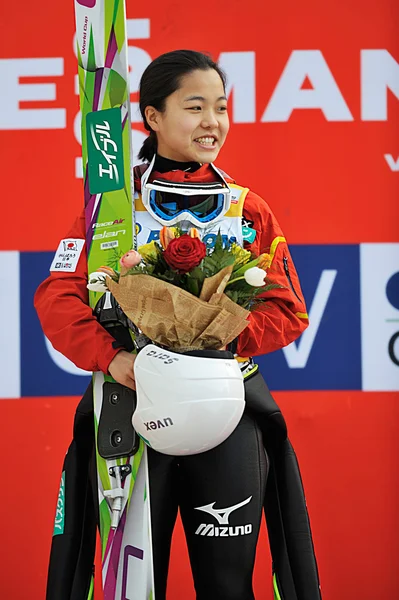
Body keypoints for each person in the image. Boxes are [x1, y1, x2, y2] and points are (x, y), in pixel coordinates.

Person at [35, 50, 320, 600]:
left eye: (221, 107)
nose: (213, 122)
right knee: (130, 587)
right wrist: (115, 359)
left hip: (225, 409)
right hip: (130, 406)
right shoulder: (112, 208)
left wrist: (209, 345)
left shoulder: (247, 208)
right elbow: (58, 296)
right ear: (152, 117)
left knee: (229, 584)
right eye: (195, 107)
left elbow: (289, 310)